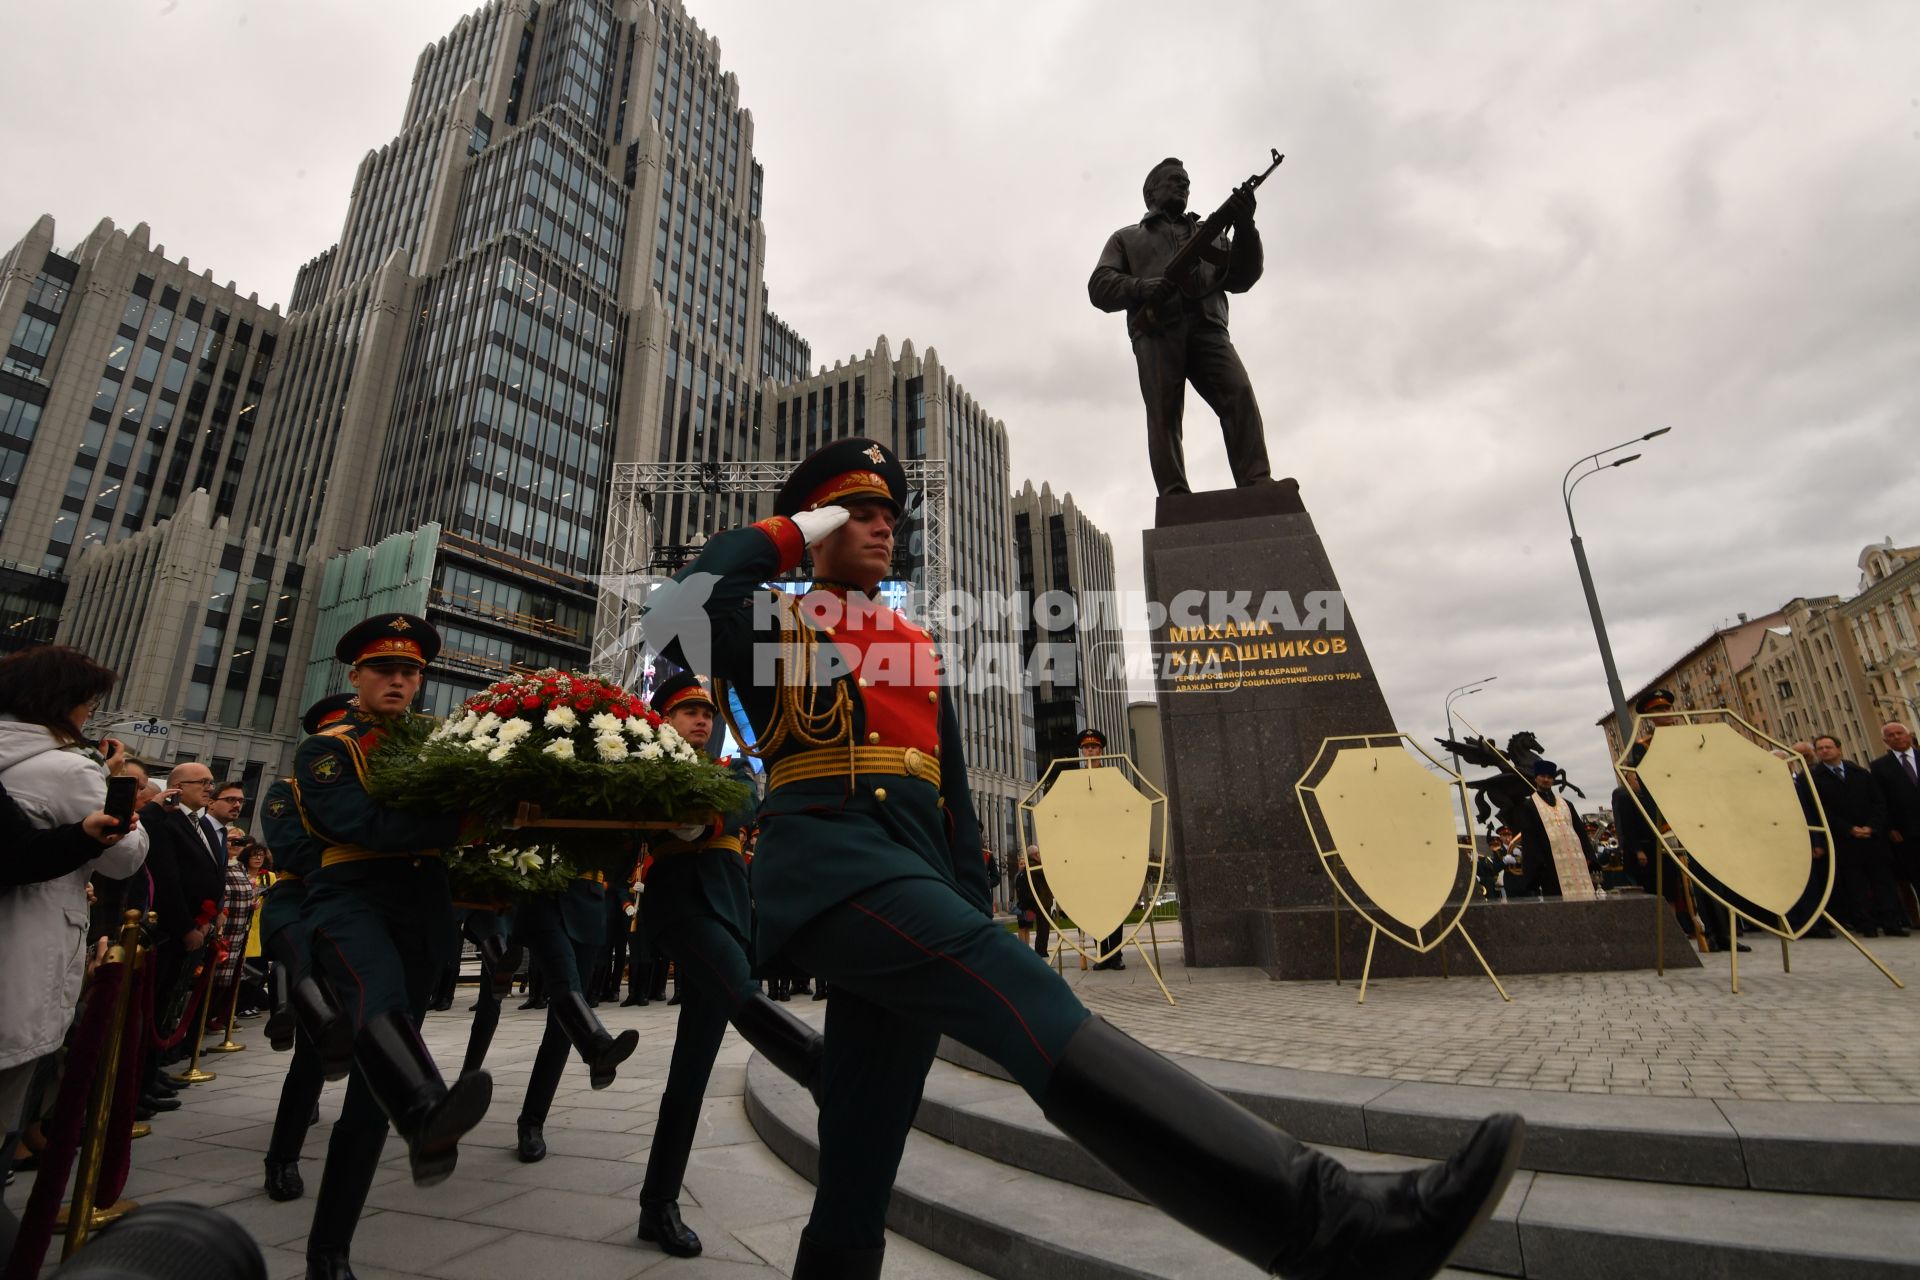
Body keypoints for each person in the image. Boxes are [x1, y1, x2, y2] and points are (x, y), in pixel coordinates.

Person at [644, 436, 1522, 1279]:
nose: (882, 526)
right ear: (818, 527)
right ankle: (1329, 1225)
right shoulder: (766, 621)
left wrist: (963, 888)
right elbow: (677, 602)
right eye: (857, 512)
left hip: (908, 876)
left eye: (888, 514)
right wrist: (797, 531)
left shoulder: (911, 641)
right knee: (1028, 998)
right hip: (834, 871)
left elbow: (947, 789)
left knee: (860, 1163)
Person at [295, 614, 492, 1280]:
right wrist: (459, 819)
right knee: (375, 1000)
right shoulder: (329, 747)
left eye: (411, 672)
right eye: (386, 669)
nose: (400, 680)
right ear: (356, 675)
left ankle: (331, 1250)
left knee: (370, 1094)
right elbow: (360, 823)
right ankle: (428, 1108)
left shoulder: (436, 744)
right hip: (354, 897)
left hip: (422, 908)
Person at [631, 673, 827, 1258]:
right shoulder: (639, 767)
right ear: (663, 719)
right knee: (739, 988)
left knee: (690, 1071)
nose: (700, 720)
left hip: (729, 912)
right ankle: (815, 1064)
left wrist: (698, 817)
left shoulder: (733, 770)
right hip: (680, 908)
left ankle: (657, 1203)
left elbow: (744, 805)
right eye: (686, 711)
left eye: (705, 712)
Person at [0, 647, 150, 1248]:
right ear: (63, 705)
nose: (91, 717)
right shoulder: (66, 769)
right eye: (89, 704)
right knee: (10, 1098)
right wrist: (121, 804)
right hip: (25, 952)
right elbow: (122, 858)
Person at [1088, 157, 1273, 497]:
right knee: (1164, 414)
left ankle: (1257, 481)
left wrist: (1246, 227)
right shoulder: (1126, 239)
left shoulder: (1211, 235)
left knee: (1239, 395)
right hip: (1158, 331)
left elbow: (1243, 277)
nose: (1183, 185)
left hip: (1209, 328)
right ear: (1150, 193)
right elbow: (1099, 286)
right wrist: (1142, 287)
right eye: (1174, 180)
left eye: (1186, 181)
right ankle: (1174, 494)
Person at [254, 692, 358, 1204]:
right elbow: (294, 851)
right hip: (300, 903)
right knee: (313, 1051)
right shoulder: (285, 791)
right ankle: (282, 1159)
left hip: (359, 910)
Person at [510, 864, 640, 1162]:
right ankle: (597, 1046)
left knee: (560, 1027)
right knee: (565, 981)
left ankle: (531, 1121)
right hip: (544, 896)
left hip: (587, 903)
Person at [1806, 734, 1908, 937]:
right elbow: (1820, 811)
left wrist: (1872, 826)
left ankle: (1891, 922)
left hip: (1873, 839)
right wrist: (1848, 829)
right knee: (1855, 885)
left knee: (1883, 882)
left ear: (1838, 749)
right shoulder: (1813, 779)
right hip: (1844, 840)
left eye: (1828, 747)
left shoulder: (1859, 772)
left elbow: (1879, 802)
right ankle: (1866, 924)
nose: (1825, 751)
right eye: (1820, 748)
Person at [1072, 729, 1128, 971]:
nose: (1089, 751)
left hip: (1110, 849)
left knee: (1114, 903)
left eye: (1093, 747)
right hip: (1087, 851)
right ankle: (1101, 952)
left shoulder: (1111, 776)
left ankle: (1115, 953)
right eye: (1086, 748)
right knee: (1093, 903)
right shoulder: (1074, 781)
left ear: (1101, 751)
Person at [1504, 760, 1598, 899]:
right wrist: (1539, 865)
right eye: (1542, 776)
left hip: (1576, 863)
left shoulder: (1567, 804)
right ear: (1536, 778)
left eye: (1549, 777)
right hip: (1550, 865)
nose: (1546, 780)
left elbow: (1579, 831)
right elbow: (1530, 838)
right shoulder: (1529, 806)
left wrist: (1589, 855)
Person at [1868, 721, 1920, 922]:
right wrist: (1889, 828)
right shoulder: (1880, 766)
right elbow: (1880, 800)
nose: (1896, 737)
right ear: (1885, 741)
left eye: (1900, 733)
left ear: (1909, 735)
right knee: (1914, 875)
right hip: (1905, 832)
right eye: (1891, 735)